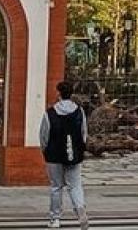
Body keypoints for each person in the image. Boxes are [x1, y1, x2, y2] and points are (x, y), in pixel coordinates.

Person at [39, 80, 88, 230]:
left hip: (54, 155)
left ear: (59, 93)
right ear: (71, 94)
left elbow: (43, 135)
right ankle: (80, 209)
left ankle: (55, 219)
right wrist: (80, 149)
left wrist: (45, 150)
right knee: (75, 185)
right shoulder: (80, 111)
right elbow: (84, 133)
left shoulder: (50, 113)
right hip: (75, 154)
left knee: (56, 187)